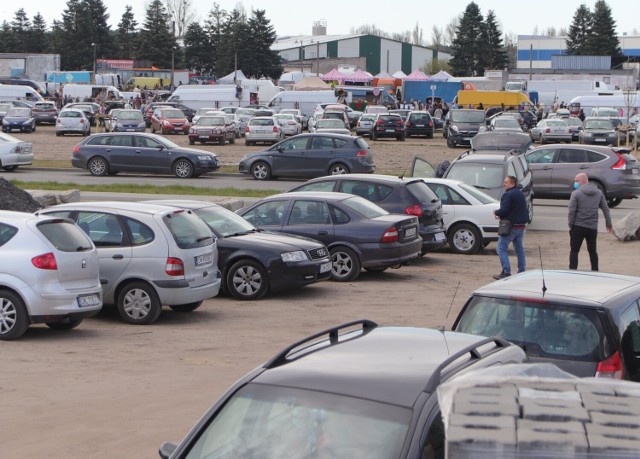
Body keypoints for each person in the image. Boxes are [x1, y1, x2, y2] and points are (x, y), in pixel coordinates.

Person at [568, 173, 612, 271]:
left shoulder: (576, 193)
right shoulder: (599, 193)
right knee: (592, 251)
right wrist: (608, 223)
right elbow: (605, 209)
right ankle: (595, 271)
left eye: (576, 181)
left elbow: (571, 211)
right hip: (592, 227)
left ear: (583, 181)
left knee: (574, 250)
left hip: (578, 226)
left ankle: (572, 271)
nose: (575, 183)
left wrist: (570, 225)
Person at [493, 175, 528, 279]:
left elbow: (504, 210)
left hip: (510, 226)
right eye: (504, 182)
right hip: (520, 226)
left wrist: (496, 212)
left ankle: (506, 271)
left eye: (506, 182)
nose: (504, 184)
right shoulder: (520, 194)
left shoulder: (508, 195)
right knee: (519, 249)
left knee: (501, 248)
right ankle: (522, 271)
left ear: (512, 184)